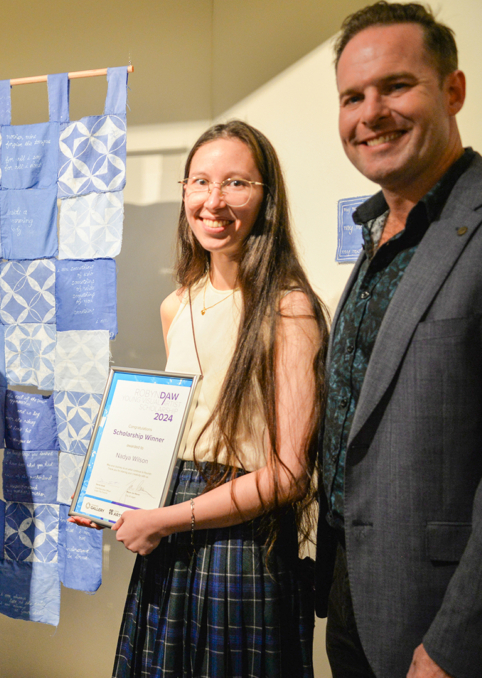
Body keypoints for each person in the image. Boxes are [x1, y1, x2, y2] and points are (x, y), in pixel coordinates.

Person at [316, 4, 482, 678]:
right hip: (353, 599)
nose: (371, 112)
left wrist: (458, 646)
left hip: (447, 626)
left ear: (452, 90)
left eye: (396, 86)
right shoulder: (378, 235)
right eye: (352, 96)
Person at [74, 121, 328, 677]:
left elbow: (288, 474)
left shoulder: (289, 309)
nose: (214, 201)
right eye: (200, 182)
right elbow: (179, 439)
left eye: (236, 183)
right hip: (175, 533)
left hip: (244, 544)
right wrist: (117, 496)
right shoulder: (177, 304)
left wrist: (167, 519)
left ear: (267, 198)